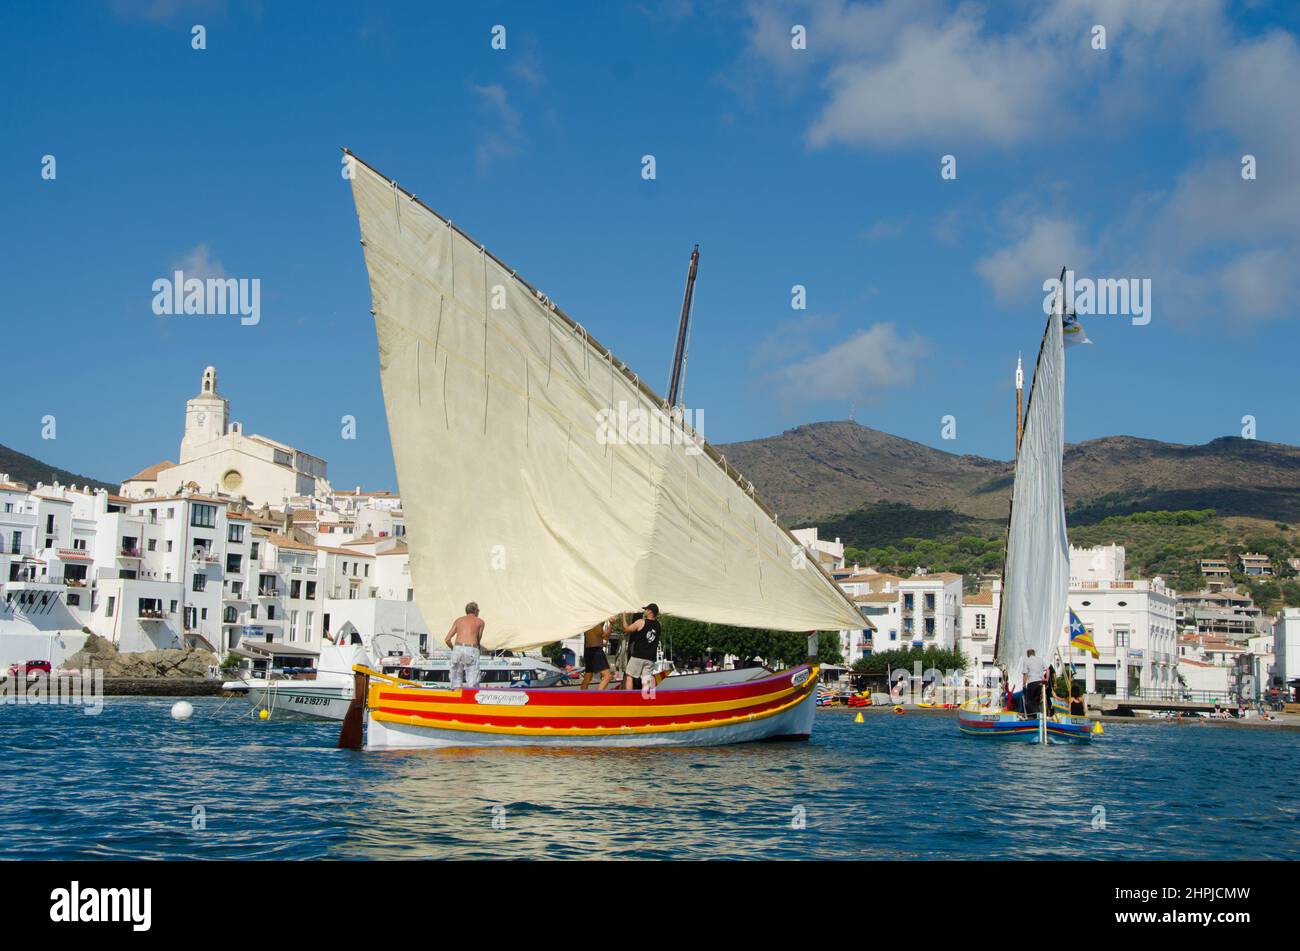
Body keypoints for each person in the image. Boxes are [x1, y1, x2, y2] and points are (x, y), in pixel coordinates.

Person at [621, 603, 661, 700]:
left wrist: (624, 616)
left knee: (629, 675)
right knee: (646, 680)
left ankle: (629, 699)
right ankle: (645, 700)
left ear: (650, 612)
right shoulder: (659, 625)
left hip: (638, 656)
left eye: (646, 610)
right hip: (650, 658)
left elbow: (626, 629)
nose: (645, 611)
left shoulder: (641, 622)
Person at [444, 601, 485, 689]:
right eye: (478, 610)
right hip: (471, 648)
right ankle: (470, 696)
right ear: (475, 611)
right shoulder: (480, 622)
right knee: (472, 679)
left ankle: (455, 695)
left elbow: (447, 639)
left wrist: (453, 649)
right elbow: (478, 640)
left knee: (455, 678)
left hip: (458, 648)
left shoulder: (458, 621)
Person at [579, 617, 613, 691]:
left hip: (589, 651)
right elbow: (605, 636)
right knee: (607, 676)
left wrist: (610, 625)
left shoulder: (591, 624)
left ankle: (582, 699)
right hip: (596, 651)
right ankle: (597, 697)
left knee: (587, 678)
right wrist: (611, 624)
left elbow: (604, 637)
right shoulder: (595, 624)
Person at [1023, 648, 1047, 716]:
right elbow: (1046, 669)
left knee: (1028, 701)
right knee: (1037, 701)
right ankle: (1037, 715)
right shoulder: (1040, 660)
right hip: (1040, 683)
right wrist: (1046, 679)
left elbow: (1025, 674)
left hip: (1031, 682)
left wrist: (1024, 685)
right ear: (1034, 653)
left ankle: (1037, 713)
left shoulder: (1027, 661)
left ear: (1028, 654)